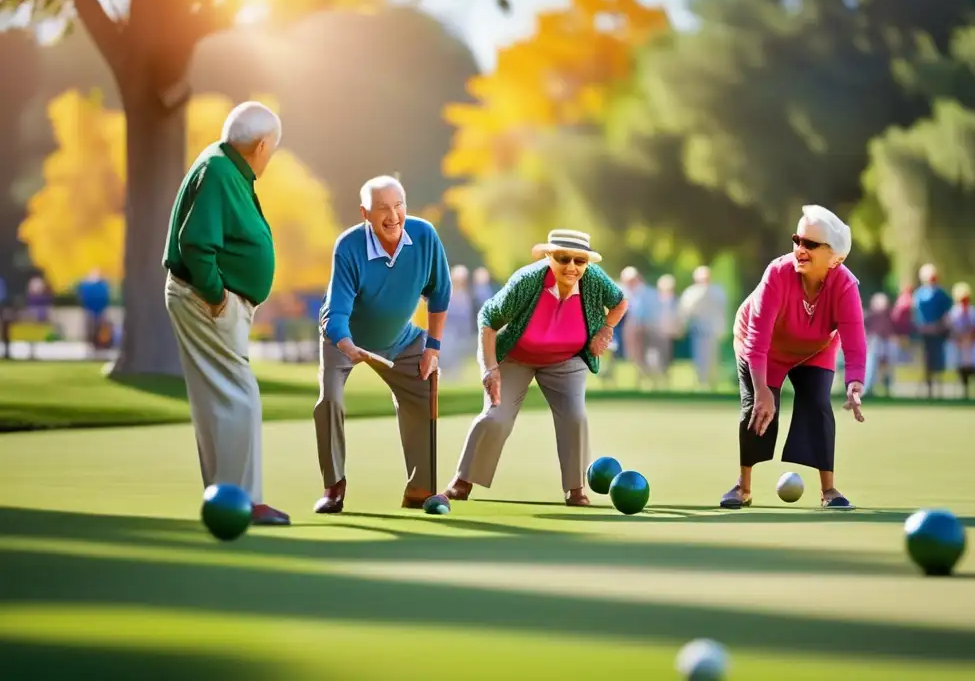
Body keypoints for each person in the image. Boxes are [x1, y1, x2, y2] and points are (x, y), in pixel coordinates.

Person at [163, 101, 290, 525]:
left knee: (223, 400)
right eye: (271, 147)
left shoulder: (225, 166)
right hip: (207, 300)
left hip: (211, 300)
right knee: (240, 397)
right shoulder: (219, 170)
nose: (270, 155)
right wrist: (217, 296)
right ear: (260, 144)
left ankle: (225, 496)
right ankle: (242, 501)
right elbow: (196, 243)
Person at [443, 229, 628, 506]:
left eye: (580, 261)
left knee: (575, 416)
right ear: (549, 256)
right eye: (564, 259)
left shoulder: (594, 279)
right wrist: (489, 368)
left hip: (567, 358)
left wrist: (605, 330)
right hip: (517, 357)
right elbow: (488, 318)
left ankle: (575, 489)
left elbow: (620, 302)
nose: (572, 267)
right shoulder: (527, 281)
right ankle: (462, 480)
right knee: (496, 417)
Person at [314, 175, 452, 513]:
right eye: (382, 209)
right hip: (344, 340)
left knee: (425, 386)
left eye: (398, 205)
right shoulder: (348, 246)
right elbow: (337, 313)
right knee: (329, 400)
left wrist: (432, 349)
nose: (392, 216)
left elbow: (440, 293)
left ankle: (420, 488)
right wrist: (348, 347)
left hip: (399, 339)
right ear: (365, 213)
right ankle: (334, 487)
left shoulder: (424, 235)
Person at [721, 205, 867, 511]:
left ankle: (829, 491)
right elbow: (757, 341)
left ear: (835, 257)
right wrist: (762, 390)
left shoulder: (845, 286)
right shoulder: (777, 273)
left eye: (811, 245)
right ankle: (743, 487)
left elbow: (854, 342)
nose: (800, 249)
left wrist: (855, 383)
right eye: (797, 240)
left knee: (816, 402)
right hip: (762, 345)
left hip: (815, 348)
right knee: (757, 407)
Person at [678, 265, 728, 390]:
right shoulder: (691, 292)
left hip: (713, 331)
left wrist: (722, 328)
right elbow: (685, 311)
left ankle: (712, 383)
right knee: (700, 359)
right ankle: (702, 383)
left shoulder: (717, 291)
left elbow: (722, 311)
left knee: (713, 359)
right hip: (699, 331)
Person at [912, 264, 953, 398]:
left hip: (938, 333)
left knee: (938, 361)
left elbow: (947, 313)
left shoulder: (941, 294)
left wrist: (940, 325)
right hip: (924, 333)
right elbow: (916, 314)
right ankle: (929, 391)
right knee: (926, 362)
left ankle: (938, 390)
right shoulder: (919, 294)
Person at [948, 282, 975, 399]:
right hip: (959, 346)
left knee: (974, 369)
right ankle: (964, 394)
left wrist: (971, 337)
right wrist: (960, 338)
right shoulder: (953, 313)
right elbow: (951, 330)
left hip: (972, 346)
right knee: (962, 371)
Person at [863, 292, 896, 397]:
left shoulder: (889, 316)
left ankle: (887, 389)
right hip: (874, 343)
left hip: (886, 343)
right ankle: (868, 389)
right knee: (871, 366)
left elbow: (890, 331)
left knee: (888, 367)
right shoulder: (869, 316)